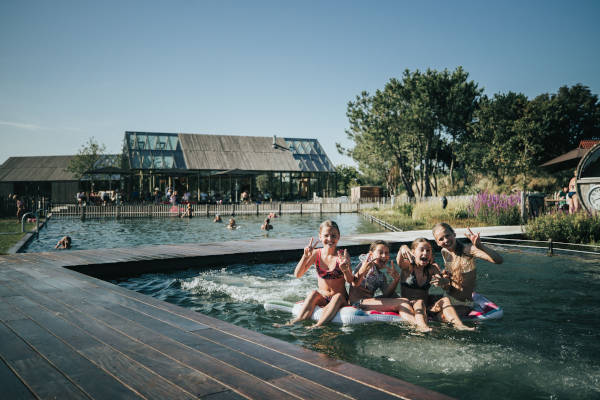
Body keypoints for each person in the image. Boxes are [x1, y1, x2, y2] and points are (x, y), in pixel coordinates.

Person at [279, 220, 354, 328]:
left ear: (339, 237)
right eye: (326, 235)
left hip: (340, 299)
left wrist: (345, 269)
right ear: (320, 237)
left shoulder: (342, 256)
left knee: (337, 296)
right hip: (323, 298)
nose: (330, 239)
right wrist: (305, 257)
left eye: (333, 236)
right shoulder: (316, 253)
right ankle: (294, 322)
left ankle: (318, 325)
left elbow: (350, 281)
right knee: (313, 293)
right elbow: (298, 274)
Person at [349, 240, 429, 332]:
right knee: (402, 302)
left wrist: (396, 280)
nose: (384, 256)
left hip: (369, 302)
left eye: (386, 253)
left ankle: (421, 324)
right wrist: (364, 269)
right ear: (371, 254)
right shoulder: (365, 265)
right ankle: (418, 327)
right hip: (358, 303)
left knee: (412, 301)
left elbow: (387, 293)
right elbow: (355, 283)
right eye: (380, 252)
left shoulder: (381, 276)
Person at [397, 238, 475, 331]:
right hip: (409, 306)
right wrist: (403, 247)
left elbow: (445, 286)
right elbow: (399, 261)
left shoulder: (432, 269)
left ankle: (459, 325)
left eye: (428, 250)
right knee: (419, 302)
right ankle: (422, 327)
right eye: (421, 250)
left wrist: (444, 282)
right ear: (413, 252)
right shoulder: (408, 267)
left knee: (445, 299)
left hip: (426, 306)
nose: (425, 253)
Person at [431, 223, 503, 314]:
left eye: (447, 235)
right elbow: (451, 281)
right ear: (437, 243)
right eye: (441, 239)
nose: (446, 240)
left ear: (454, 234)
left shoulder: (468, 250)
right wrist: (443, 281)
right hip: (447, 298)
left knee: (439, 318)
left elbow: (499, 260)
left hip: (464, 303)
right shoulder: (444, 252)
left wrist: (480, 246)